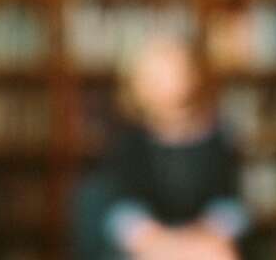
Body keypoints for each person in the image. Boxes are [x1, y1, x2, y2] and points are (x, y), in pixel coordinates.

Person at [97, 35, 247, 260]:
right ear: (137, 84)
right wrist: (156, 239)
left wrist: (204, 234)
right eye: (154, 76)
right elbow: (119, 206)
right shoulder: (129, 141)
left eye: (172, 72)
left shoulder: (217, 137)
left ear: (191, 75)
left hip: (205, 240)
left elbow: (232, 202)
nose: (165, 82)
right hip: (149, 241)